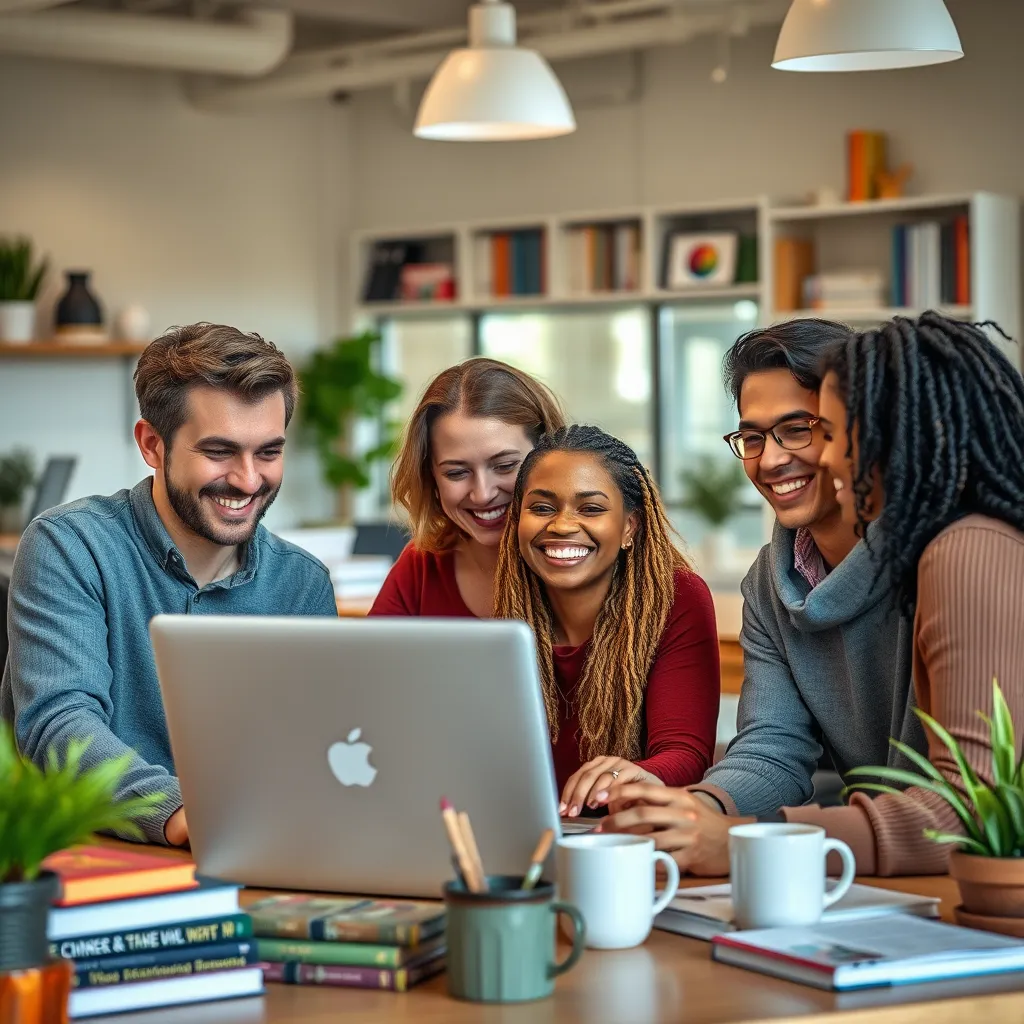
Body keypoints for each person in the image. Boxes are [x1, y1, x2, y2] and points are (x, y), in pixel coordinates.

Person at [600, 313, 1024, 876]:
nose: (778, 459)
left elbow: (974, 812)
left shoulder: (965, 549)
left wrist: (744, 842)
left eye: (814, 429)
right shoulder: (771, 582)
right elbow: (771, 747)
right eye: (753, 437)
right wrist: (692, 815)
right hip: (904, 882)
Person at [1, 323, 338, 847]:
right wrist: (181, 812)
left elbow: (322, 749)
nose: (249, 480)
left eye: (268, 452)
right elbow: (59, 726)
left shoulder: (302, 584)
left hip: (256, 852)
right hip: (96, 856)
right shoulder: (70, 546)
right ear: (153, 445)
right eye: (220, 452)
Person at [493, 424, 720, 812]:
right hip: (520, 839)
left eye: (592, 508)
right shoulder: (507, 611)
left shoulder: (677, 598)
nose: (562, 525)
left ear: (629, 526)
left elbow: (685, 754)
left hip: (623, 841)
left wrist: (628, 776)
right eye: (542, 508)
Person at [368, 358, 565, 618]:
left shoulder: (587, 561)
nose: (482, 494)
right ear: (432, 479)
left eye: (505, 466)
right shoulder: (422, 566)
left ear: (551, 456)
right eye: (457, 472)